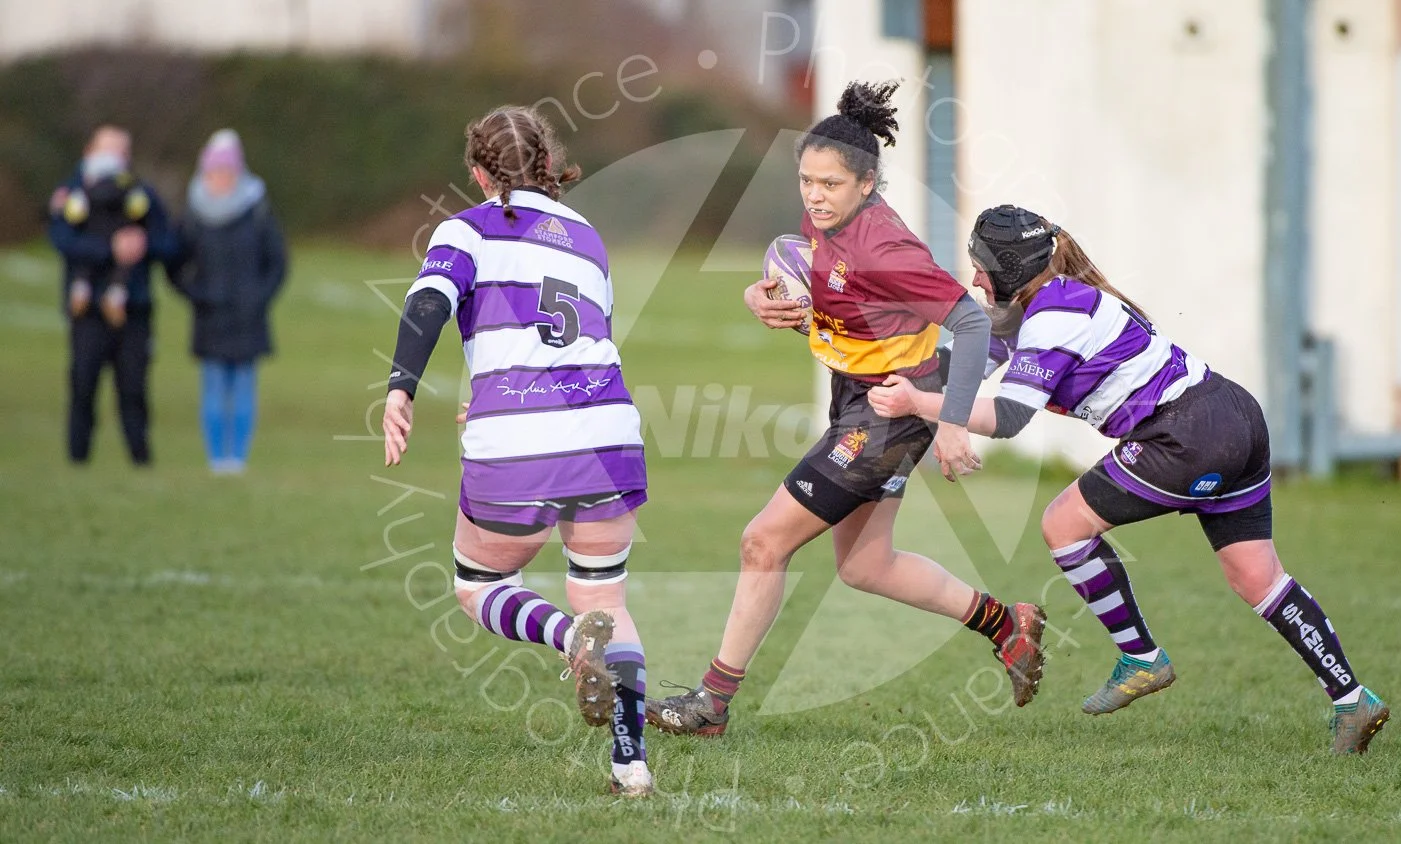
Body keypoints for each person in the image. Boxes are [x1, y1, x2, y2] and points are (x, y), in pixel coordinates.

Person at [868, 205, 1390, 754]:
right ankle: (1353, 700)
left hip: (1184, 436)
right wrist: (894, 368)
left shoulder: (1051, 319)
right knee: (1258, 578)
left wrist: (920, 403)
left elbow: (1011, 416)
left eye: (980, 266)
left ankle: (1141, 658)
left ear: (1011, 270)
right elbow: (974, 357)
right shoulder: (1045, 302)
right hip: (1233, 413)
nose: (973, 277)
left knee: (1062, 525)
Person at [647, 82, 1047, 738]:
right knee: (866, 565)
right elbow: (799, 263)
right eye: (807, 180)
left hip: (892, 407)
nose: (813, 195)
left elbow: (972, 324)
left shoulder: (886, 250)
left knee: (762, 541)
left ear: (867, 183)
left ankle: (711, 703)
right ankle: (1008, 625)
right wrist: (759, 294)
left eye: (829, 184)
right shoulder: (824, 218)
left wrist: (948, 424)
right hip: (859, 394)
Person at [380, 105, 655, 796]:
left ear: (478, 172)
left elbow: (427, 306)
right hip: (608, 429)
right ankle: (631, 765)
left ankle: (568, 640)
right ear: (545, 162)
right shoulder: (587, 236)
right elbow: (583, 337)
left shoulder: (465, 229)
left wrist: (400, 389)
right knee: (608, 598)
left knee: (479, 586)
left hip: (519, 442)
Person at [48, 125, 178, 466]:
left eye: (122, 151)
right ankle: (77, 459)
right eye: (108, 150)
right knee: (83, 384)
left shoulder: (141, 194)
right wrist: (110, 249)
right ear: (90, 151)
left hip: (133, 307)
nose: (115, 158)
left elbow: (169, 242)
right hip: (87, 308)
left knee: (134, 387)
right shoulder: (73, 193)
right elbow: (61, 239)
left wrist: (143, 245)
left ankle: (140, 459)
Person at [168, 130, 288, 474]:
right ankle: (216, 458)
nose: (221, 178)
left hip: (248, 317)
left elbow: (277, 262)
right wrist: (197, 297)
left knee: (244, 387)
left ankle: (238, 458)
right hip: (210, 317)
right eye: (215, 172)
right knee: (214, 387)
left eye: (227, 171)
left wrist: (259, 298)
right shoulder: (193, 213)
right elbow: (175, 263)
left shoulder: (257, 210)